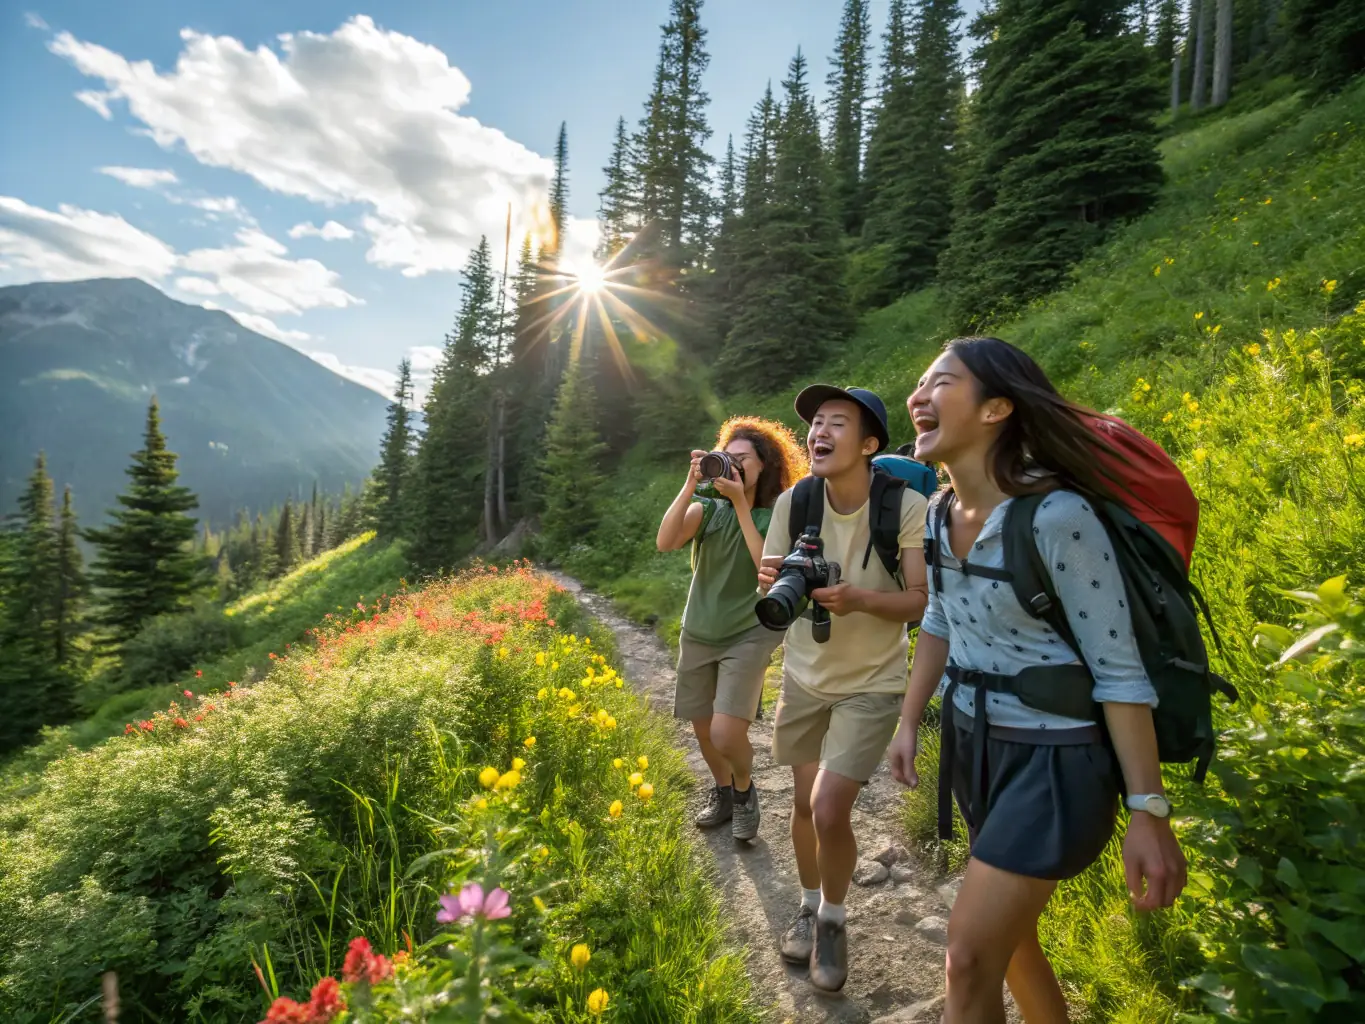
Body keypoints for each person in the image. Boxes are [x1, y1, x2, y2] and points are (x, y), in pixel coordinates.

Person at [888, 337, 1188, 1024]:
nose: (919, 396)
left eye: (941, 382)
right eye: (919, 382)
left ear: (996, 408)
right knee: (1009, 943)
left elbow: (1117, 671)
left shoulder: (1058, 518)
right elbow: (937, 617)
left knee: (965, 959)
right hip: (974, 745)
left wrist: (1148, 811)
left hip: (1055, 765)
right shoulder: (936, 513)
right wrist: (909, 721)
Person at [756, 386, 930, 992]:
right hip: (805, 674)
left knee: (831, 808)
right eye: (815, 424)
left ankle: (833, 918)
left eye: (837, 423)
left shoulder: (904, 506)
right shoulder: (795, 501)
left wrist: (857, 600)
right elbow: (778, 581)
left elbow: (918, 602)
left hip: (873, 682)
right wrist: (775, 577)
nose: (819, 433)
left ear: (869, 444)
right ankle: (808, 904)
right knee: (804, 806)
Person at [657, 416, 806, 842]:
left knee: (725, 730)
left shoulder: (778, 512)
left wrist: (741, 502)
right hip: (700, 626)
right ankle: (723, 791)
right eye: (728, 458)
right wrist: (690, 484)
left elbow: (769, 568)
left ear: (765, 464)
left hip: (751, 629)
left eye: (743, 459)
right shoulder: (708, 509)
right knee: (703, 727)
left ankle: (744, 791)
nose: (735, 467)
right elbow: (666, 541)